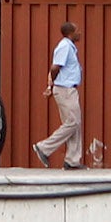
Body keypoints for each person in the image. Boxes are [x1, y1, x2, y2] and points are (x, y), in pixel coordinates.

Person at [33, 20, 85, 169]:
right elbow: (55, 67)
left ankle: (72, 161)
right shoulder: (64, 47)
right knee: (73, 122)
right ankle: (43, 147)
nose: (80, 33)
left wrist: (50, 85)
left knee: (75, 124)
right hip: (65, 89)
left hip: (68, 89)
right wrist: (52, 84)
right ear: (70, 33)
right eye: (78, 30)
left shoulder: (70, 47)